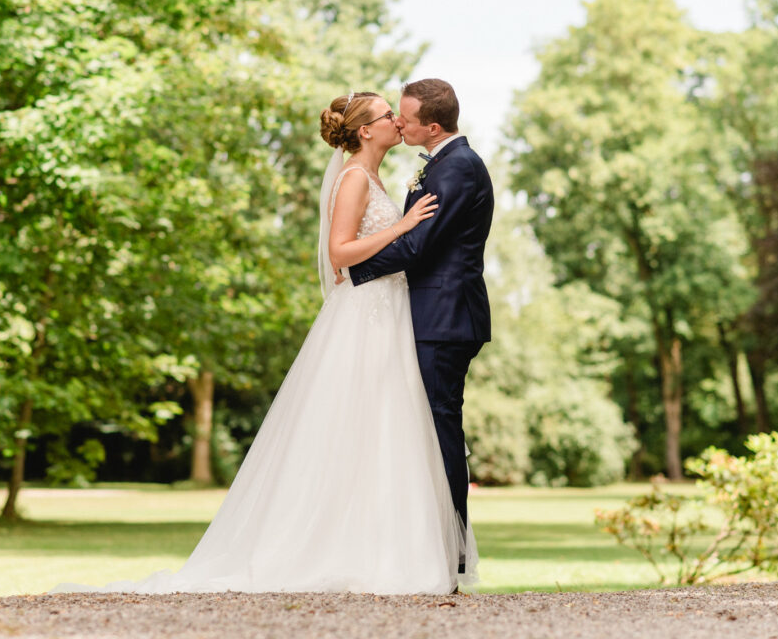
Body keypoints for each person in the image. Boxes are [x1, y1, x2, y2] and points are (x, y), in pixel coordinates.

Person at [51, 91, 477, 596]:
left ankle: (386, 548)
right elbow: (339, 252)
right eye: (389, 116)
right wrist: (402, 227)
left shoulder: (379, 177)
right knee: (353, 423)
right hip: (365, 314)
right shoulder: (355, 178)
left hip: (390, 315)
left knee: (385, 427)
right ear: (366, 131)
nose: (396, 122)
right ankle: (331, 548)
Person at [348, 79, 493, 575]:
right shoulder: (444, 165)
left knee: (438, 429)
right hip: (431, 314)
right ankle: (428, 547)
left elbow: (417, 248)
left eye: (405, 118)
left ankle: (448, 552)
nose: (398, 124)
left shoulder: (457, 169)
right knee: (424, 431)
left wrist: (356, 275)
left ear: (432, 126)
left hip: (443, 319)